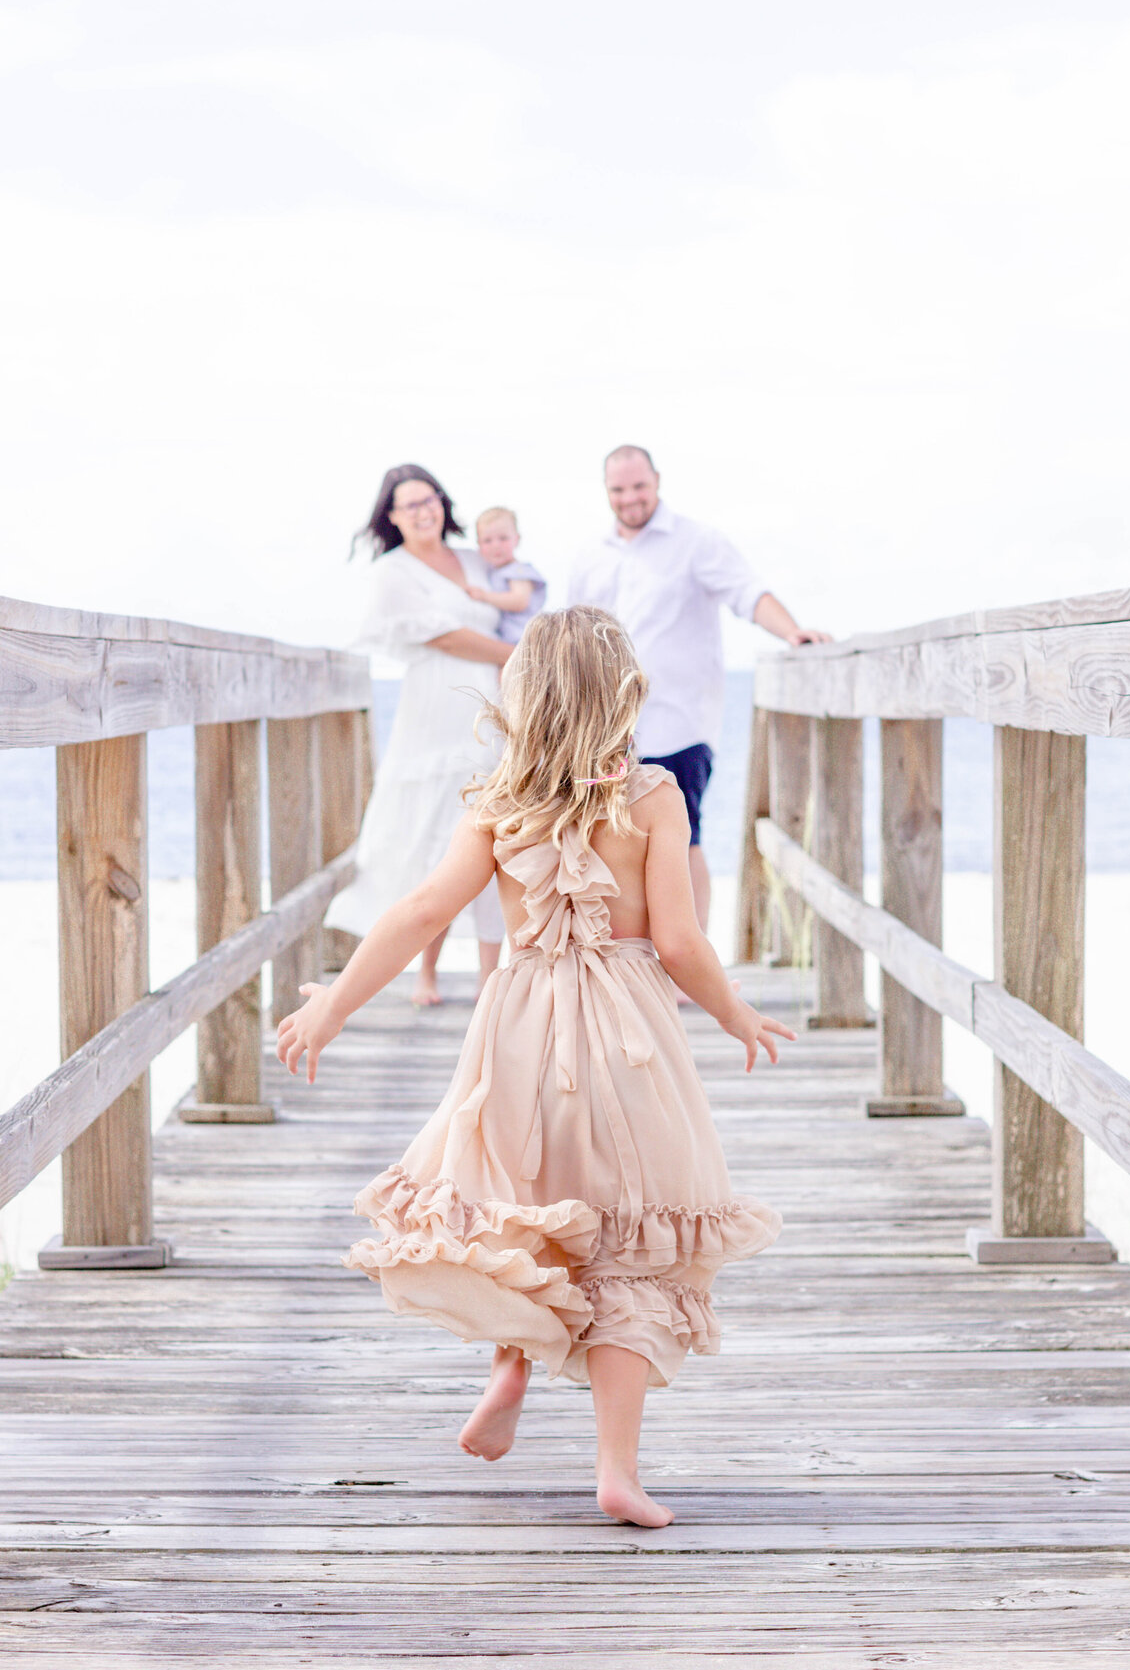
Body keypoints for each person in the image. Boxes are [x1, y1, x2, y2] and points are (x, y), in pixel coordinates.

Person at [278, 607, 792, 1529]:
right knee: (628, 1234)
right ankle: (618, 1470)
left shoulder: (495, 799)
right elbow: (677, 939)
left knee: (526, 1209)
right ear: (624, 694)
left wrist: (331, 1006)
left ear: (525, 699)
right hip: (625, 1037)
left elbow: (421, 912)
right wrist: (736, 1012)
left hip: (517, 1033)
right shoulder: (655, 796)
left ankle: (509, 1370)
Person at [568, 444, 830, 931]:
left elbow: (747, 593)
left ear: (658, 481)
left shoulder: (696, 541)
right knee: (610, 838)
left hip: (678, 720)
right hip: (604, 727)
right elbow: (573, 637)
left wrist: (792, 632)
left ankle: (690, 960)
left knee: (682, 837)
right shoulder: (590, 556)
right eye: (619, 489)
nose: (630, 498)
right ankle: (629, 954)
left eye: (639, 486)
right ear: (606, 491)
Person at [325, 464, 515, 1005]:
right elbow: (445, 636)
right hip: (437, 705)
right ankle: (422, 973)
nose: (423, 510)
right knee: (433, 835)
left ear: (442, 502)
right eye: (409, 505)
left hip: (493, 702)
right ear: (392, 516)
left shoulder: (476, 558)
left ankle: (490, 980)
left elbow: (519, 603)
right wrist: (516, 654)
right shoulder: (394, 571)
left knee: (493, 831)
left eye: (428, 499)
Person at [465, 506, 547, 643]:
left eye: (503, 538)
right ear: (479, 544)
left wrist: (484, 596)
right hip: (504, 639)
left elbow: (519, 601)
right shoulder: (490, 570)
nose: (496, 545)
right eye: (487, 540)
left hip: (523, 637)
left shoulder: (517, 571)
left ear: (517, 539)